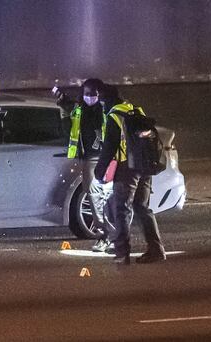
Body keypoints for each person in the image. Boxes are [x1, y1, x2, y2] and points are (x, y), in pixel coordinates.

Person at [94, 84, 166, 264]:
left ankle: (122, 253)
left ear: (106, 100)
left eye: (102, 101)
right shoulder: (134, 109)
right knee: (142, 208)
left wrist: (100, 170)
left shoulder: (114, 115)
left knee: (121, 210)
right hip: (143, 166)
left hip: (126, 168)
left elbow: (110, 146)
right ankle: (156, 249)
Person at [55, 78, 113, 252]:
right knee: (94, 197)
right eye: (87, 94)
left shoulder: (106, 110)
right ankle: (106, 234)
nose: (90, 97)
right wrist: (63, 106)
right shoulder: (79, 111)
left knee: (109, 197)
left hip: (108, 157)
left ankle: (113, 234)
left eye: (94, 94)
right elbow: (68, 127)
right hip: (89, 159)